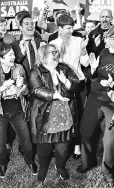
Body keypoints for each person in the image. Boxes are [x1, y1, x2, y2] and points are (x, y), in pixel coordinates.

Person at [78, 25, 114, 183]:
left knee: (110, 140)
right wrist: (92, 68)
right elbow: (95, 74)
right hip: (95, 98)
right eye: (107, 38)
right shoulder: (104, 52)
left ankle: (107, 169)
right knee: (86, 131)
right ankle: (88, 161)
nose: (106, 41)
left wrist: (113, 85)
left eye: (110, 39)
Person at [28, 44, 80, 183]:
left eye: (56, 51)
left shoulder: (64, 67)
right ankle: (43, 168)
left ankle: (60, 166)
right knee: (44, 149)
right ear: (43, 55)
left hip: (64, 113)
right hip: (45, 115)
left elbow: (78, 85)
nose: (56, 54)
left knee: (63, 147)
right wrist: (55, 95)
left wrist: (66, 82)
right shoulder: (36, 71)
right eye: (52, 52)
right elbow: (36, 90)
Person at [0, 42, 37, 178]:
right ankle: (3, 163)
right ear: (1, 58)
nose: (13, 56)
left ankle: (30, 161)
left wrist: (21, 87)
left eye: (13, 54)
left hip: (18, 111)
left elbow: (27, 91)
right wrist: (2, 88)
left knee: (26, 139)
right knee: (0, 143)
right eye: (9, 55)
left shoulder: (19, 68)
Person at [49, 14, 89, 159]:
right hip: (61, 86)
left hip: (78, 84)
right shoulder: (53, 43)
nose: (70, 31)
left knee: (78, 115)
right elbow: (51, 64)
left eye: (72, 28)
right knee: (61, 114)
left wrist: (84, 50)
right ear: (59, 28)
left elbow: (85, 63)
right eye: (67, 28)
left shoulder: (79, 40)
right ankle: (61, 144)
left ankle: (77, 146)